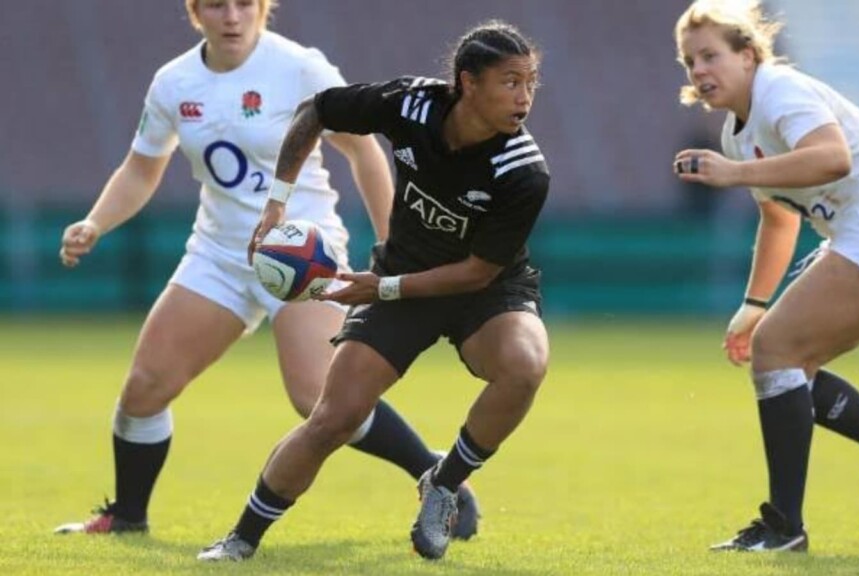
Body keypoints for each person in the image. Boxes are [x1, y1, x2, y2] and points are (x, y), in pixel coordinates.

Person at [54, 0, 478, 540]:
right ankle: (127, 517)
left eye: (244, 4)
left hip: (303, 254)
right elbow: (141, 169)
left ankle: (436, 477)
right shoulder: (173, 83)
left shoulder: (300, 68)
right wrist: (95, 222)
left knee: (319, 397)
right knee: (144, 389)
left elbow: (365, 152)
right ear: (194, 12)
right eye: (215, 5)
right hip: (220, 254)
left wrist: (393, 243)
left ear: (263, 9)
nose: (231, 16)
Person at [197, 20, 549, 562]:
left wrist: (383, 287)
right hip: (403, 274)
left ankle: (444, 482)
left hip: (486, 291)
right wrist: (277, 202)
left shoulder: (522, 169)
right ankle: (241, 539)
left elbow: (478, 272)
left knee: (525, 364)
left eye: (530, 82)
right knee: (333, 417)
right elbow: (316, 110)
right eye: (510, 81)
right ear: (468, 83)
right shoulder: (409, 104)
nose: (524, 96)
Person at [672, 0, 859, 552]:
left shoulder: (779, 89)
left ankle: (784, 528)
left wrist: (734, 175)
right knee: (783, 357)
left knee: (779, 352)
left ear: (749, 55)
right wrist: (754, 304)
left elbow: (833, 158)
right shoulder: (737, 134)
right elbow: (779, 217)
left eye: (710, 55)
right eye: (689, 61)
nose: (698, 70)